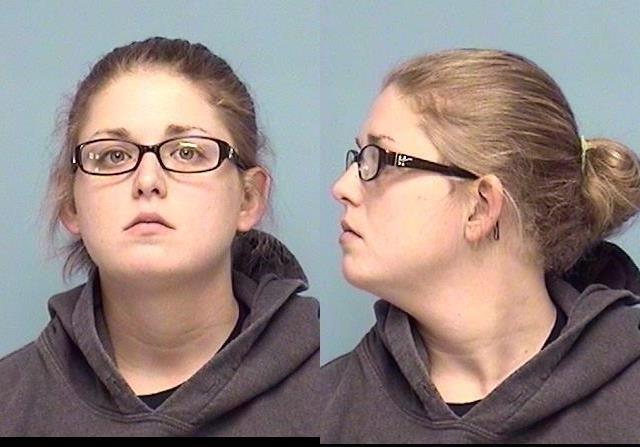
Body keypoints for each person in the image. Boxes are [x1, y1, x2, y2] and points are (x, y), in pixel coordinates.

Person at [0, 37, 319, 436]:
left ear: (248, 198)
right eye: (113, 155)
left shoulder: (329, 391)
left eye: (187, 152)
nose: (148, 180)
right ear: (71, 204)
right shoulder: (9, 405)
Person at [320, 48, 640, 443]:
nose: (342, 187)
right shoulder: (323, 412)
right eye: (358, 158)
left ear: (481, 206)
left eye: (380, 160)